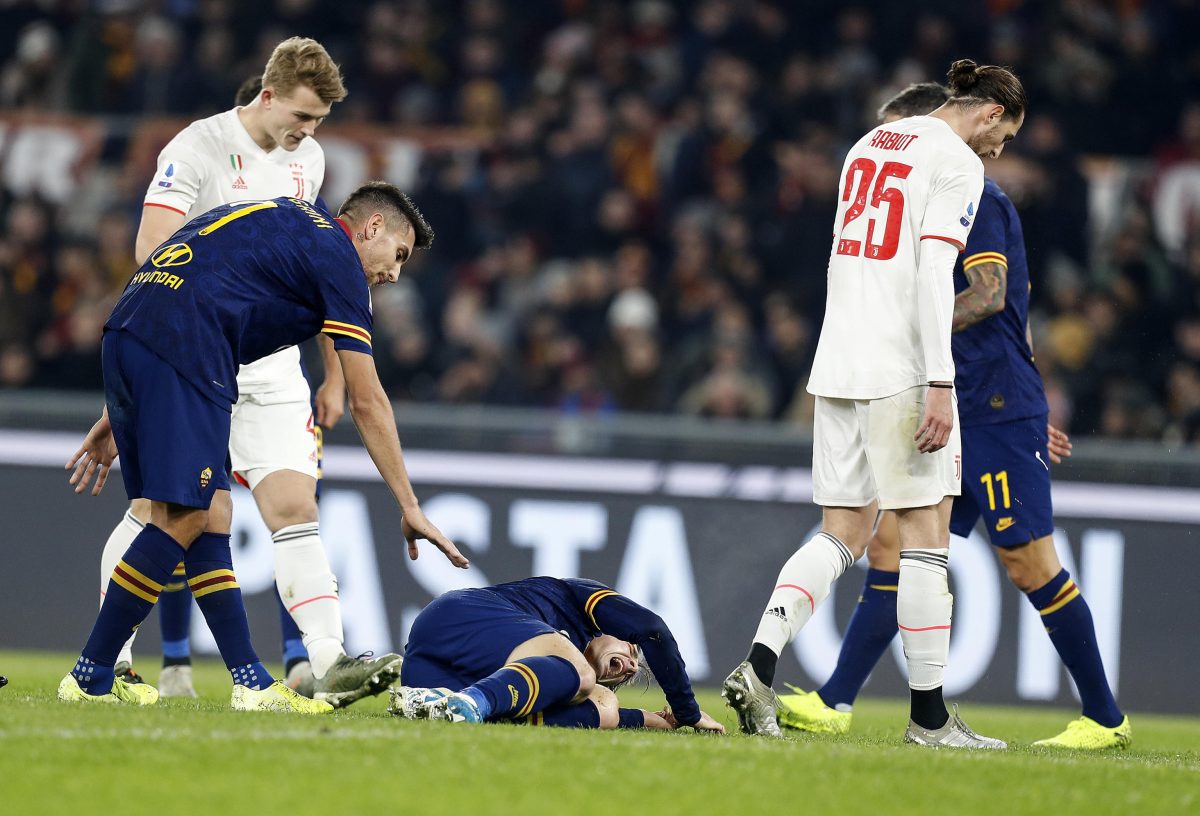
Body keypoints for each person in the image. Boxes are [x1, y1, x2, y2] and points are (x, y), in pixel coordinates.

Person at [777, 83, 1131, 750]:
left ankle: (1106, 719)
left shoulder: (983, 200)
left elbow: (991, 295)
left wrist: (918, 341)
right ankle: (835, 701)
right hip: (950, 404)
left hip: (990, 405)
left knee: (1029, 565)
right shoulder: (929, 195)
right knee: (890, 545)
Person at [59, 183, 468, 712]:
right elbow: (368, 400)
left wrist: (120, 406)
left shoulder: (290, 217)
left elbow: (198, 273)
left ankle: (251, 682)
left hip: (131, 331)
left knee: (211, 511)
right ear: (370, 228)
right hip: (190, 347)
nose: (394, 273)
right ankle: (91, 672)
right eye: (398, 254)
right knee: (180, 517)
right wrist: (410, 505)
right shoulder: (338, 258)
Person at [721, 59, 1026, 748]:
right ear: (986, 112)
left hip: (837, 361)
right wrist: (940, 382)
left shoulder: (867, 145)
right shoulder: (956, 163)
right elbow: (928, 272)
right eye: (1003, 136)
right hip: (901, 368)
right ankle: (929, 720)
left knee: (842, 532)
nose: (998, 151)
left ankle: (759, 663)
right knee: (926, 539)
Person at [92, 38, 396, 708]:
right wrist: (156, 361)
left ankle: (329, 662)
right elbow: (152, 251)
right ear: (267, 94)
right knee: (161, 512)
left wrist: (332, 375)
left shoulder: (307, 160)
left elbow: (317, 273)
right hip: (196, 350)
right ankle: (110, 663)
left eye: (317, 122)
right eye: (303, 116)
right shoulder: (196, 147)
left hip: (272, 363)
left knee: (295, 510)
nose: (309, 133)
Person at [391, 577, 725, 733]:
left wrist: (650, 720)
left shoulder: (551, 675)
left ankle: (446, 704)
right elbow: (653, 629)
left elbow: (604, 708)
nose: (631, 664)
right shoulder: (577, 600)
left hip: (428, 675)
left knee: (605, 707)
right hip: (456, 615)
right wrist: (688, 711)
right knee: (583, 678)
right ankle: (474, 704)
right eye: (632, 649)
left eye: (632, 670)